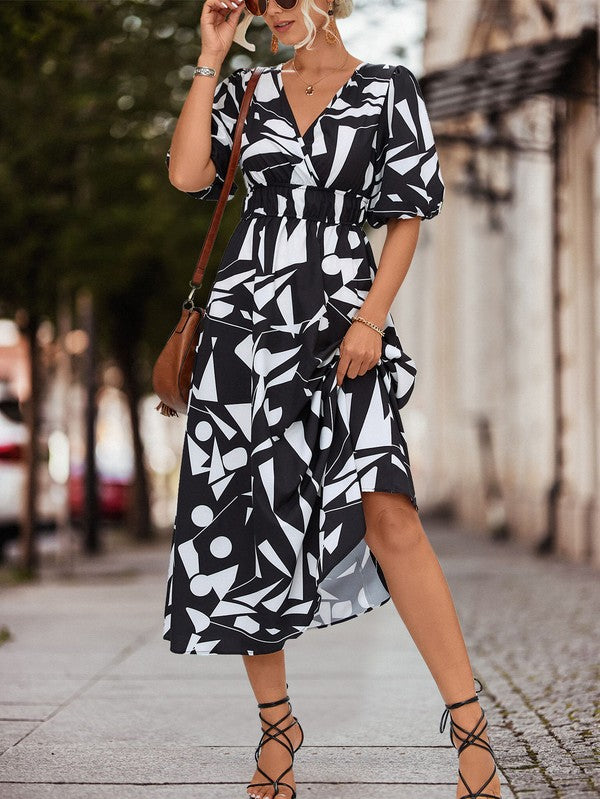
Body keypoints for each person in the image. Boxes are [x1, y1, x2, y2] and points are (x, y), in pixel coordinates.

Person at [163, 2, 503, 798]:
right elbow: (187, 175)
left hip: (345, 330)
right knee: (248, 526)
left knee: (390, 513)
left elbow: (408, 215)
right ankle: (278, 727)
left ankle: (471, 730)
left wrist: (371, 319)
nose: (271, 11)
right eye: (258, 2)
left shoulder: (387, 88)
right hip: (245, 334)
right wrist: (211, 53)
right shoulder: (247, 90)